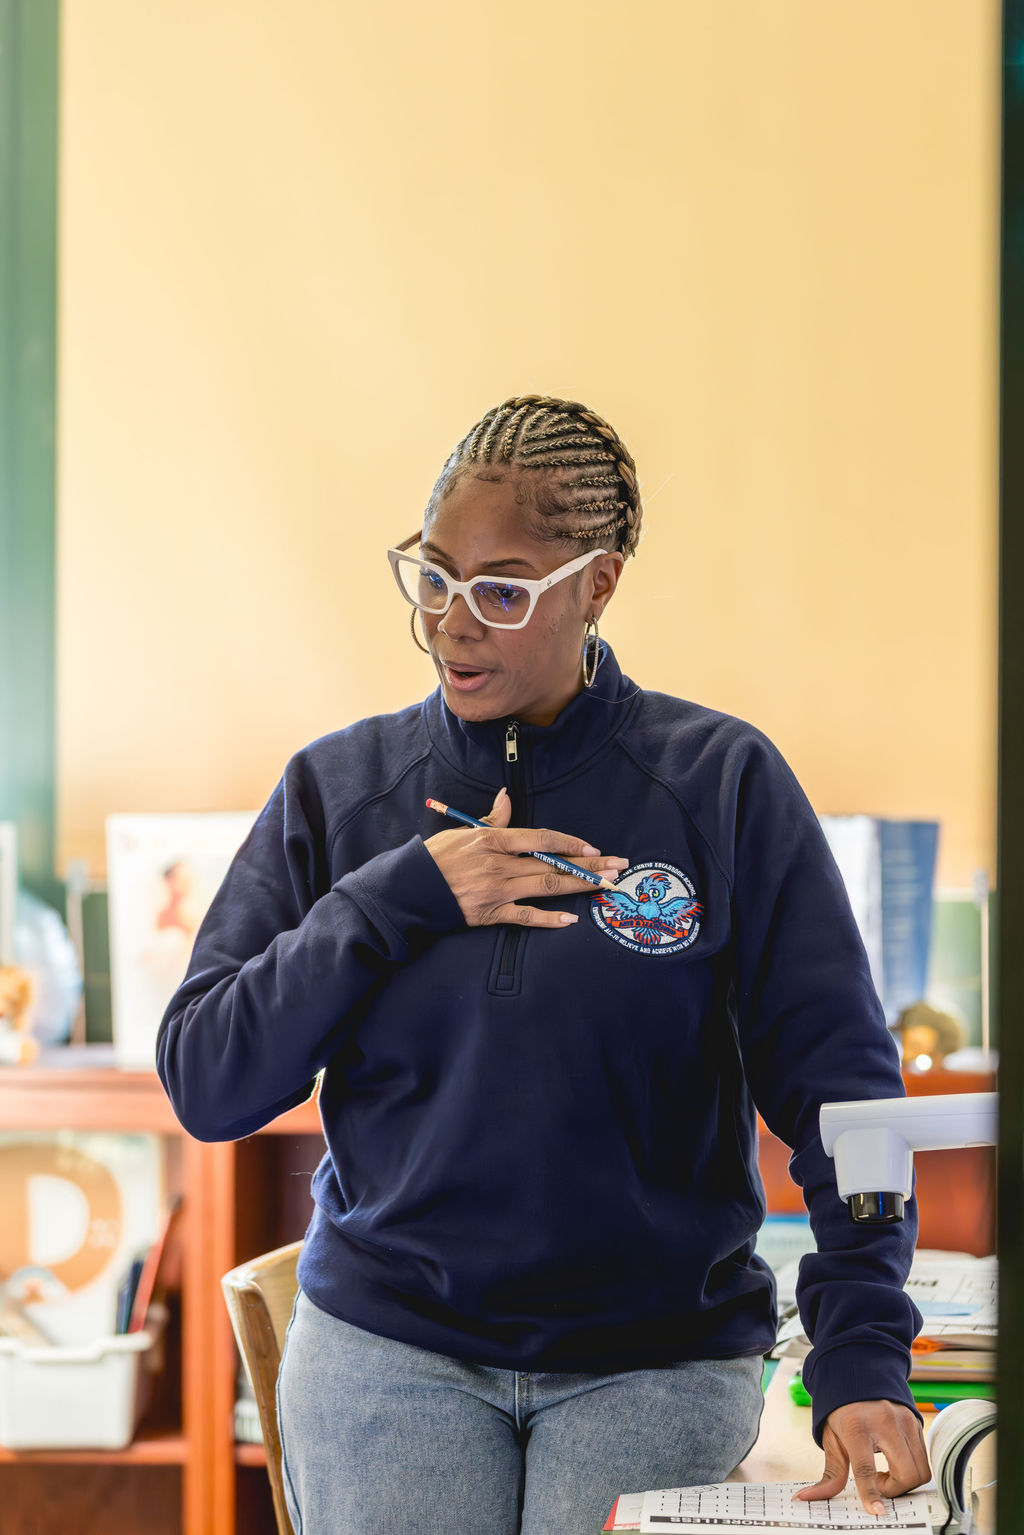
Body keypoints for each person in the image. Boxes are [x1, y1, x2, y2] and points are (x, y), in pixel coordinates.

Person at [156, 394, 929, 1535]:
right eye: (432, 577)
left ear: (596, 584)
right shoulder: (338, 790)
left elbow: (846, 1093)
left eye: (502, 591)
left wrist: (863, 1346)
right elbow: (208, 1078)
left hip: (656, 1357)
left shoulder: (721, 782)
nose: (451, 625)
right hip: (388, 1350)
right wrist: (399, 897)